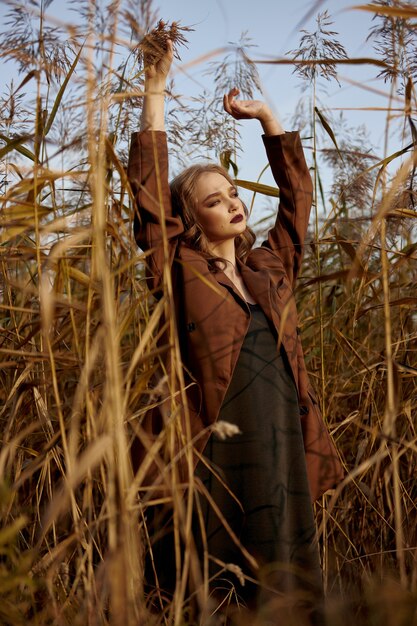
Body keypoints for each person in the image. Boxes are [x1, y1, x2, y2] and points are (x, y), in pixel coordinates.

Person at [127, 34, 343, 624]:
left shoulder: (269, 267)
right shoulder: (178, 267)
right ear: (191, 218)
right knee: (213, 574)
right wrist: (154, 90)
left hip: (280, 439)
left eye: (231, 192)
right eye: (213, 200)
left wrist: (269, 119)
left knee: (284, 572)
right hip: (212, 443)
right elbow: (149, 197)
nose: (231, 203)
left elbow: (297, 202)